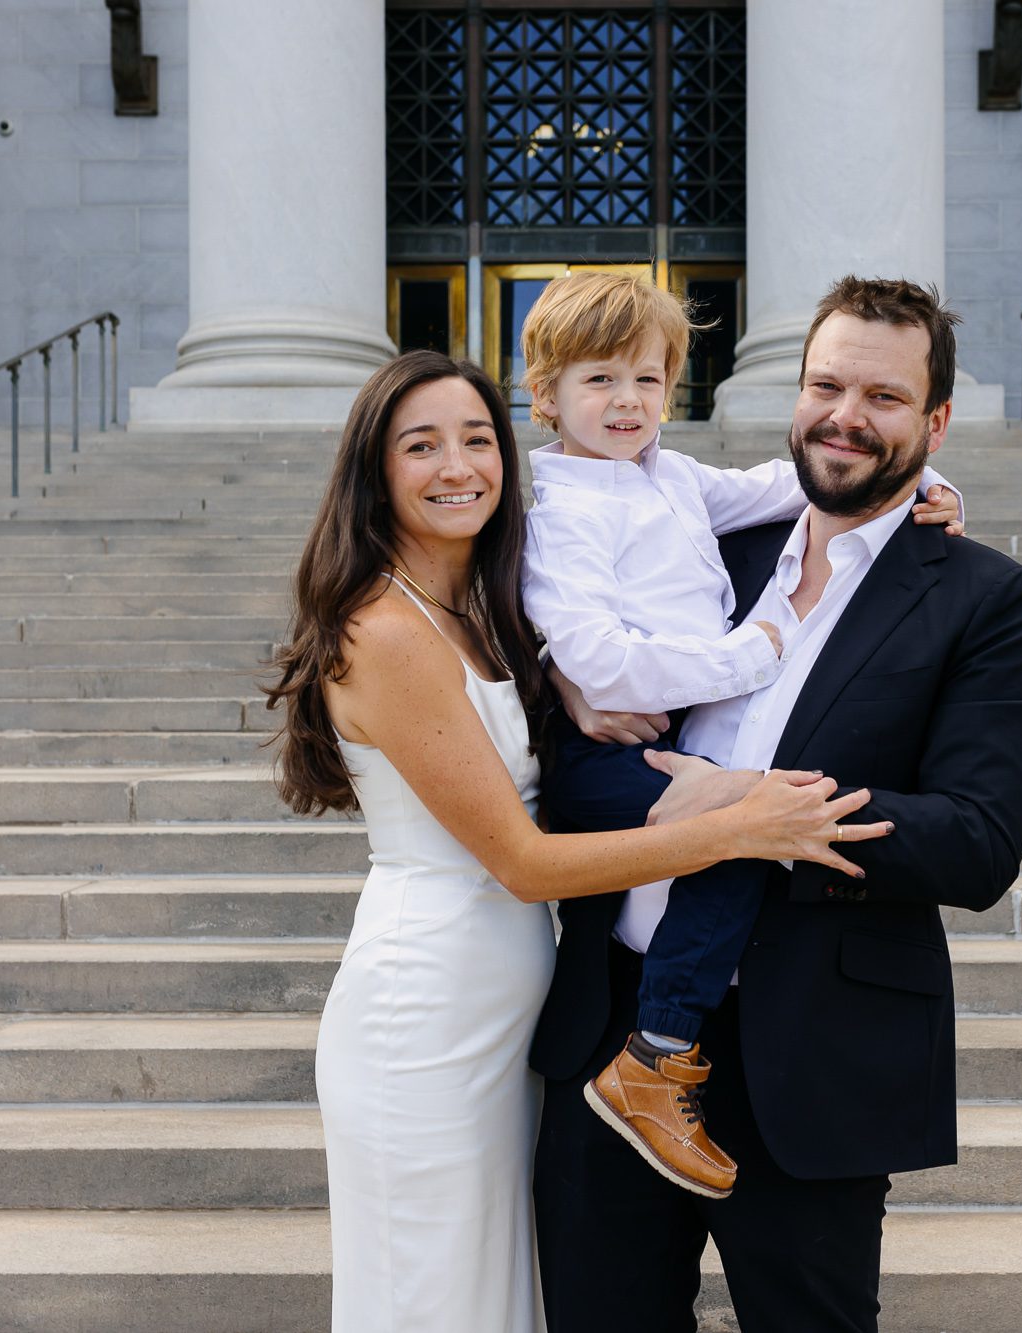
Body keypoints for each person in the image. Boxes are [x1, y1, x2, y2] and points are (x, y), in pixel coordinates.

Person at [260, 349, 894, 1333]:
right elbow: (520, 862)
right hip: (425, 1008)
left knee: (492, 1293)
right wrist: (735, 827)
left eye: (477, 439)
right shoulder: (385, 630)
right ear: (372, 472)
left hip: (505, 1017)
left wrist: (910, 500)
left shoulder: (484, 610)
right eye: (419, 445)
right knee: (427, 1296)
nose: (457, 465)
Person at [531, 277, 1022, 1333]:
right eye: (825, 384)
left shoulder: (980, 596)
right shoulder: (703, 537)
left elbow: (978, 840)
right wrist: (567, 680)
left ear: (934, 421)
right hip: (610, 1025)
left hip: (810, 1049)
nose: (844, 415)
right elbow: (555, 631)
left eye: (883, 397)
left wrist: (778, 819)